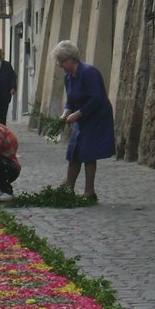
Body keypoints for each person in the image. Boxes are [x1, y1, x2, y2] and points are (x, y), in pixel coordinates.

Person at [53, 40, 115, 201]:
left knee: (88, 151)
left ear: (71, 59)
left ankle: (89, 192)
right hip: (81, 117)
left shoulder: (89, 73)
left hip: (97, 116)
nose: (60, 66)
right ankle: (68, 188)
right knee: (74, 151)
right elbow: (71, 101)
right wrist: (65, 113)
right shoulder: (69, 78)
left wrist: (78, 114)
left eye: (61, 62)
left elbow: (96, 98)